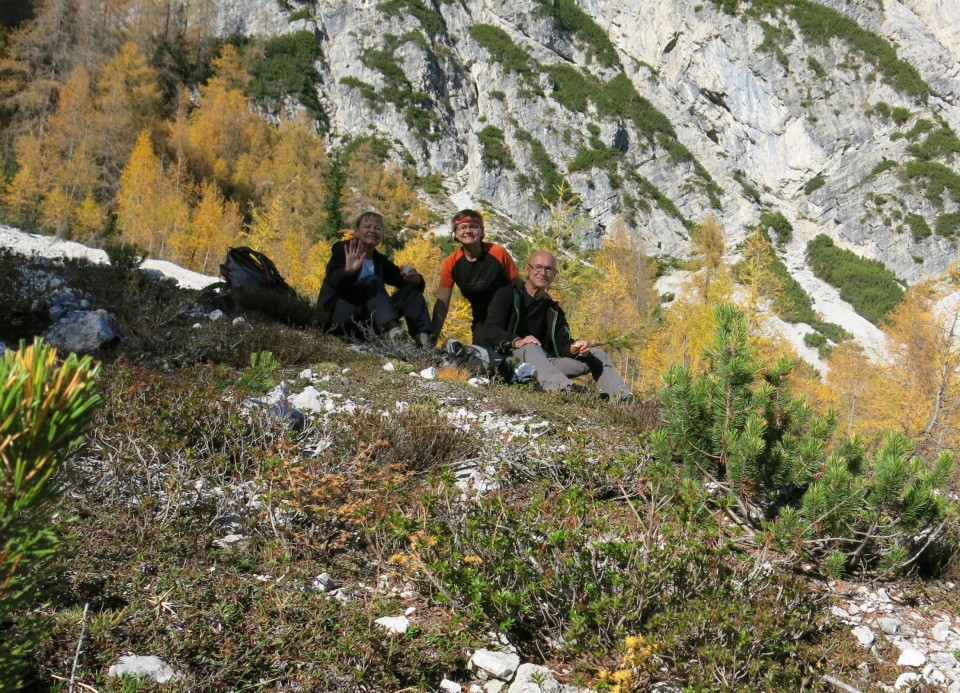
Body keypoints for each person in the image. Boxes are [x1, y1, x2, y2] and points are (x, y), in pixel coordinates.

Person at [484, 250, 632, 400]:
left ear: (554, 275)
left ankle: (622, 399)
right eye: (537, 267)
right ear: (527, 270)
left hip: (546, 363)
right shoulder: (507, 295)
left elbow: (563, 346)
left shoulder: (553, 310)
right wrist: (518, 341)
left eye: (549, 269)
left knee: (597, 355)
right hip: (512, 359)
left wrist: (578, 347)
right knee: (531, 347)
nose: (543, 272)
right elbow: (490, 329)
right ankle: (564, 391)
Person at [316, 211, 433, 347]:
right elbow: (333, 281)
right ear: (357, 231)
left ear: (382, 234)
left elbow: (403, 282)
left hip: (368, 320)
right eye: (367, 226)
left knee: (410, 292)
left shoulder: (379, 261)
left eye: (377, 228)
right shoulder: (344, 250)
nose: (372, 230)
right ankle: (395, 333)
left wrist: (416, 279)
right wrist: (348, 272)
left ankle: (423, 339)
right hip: (340, 317)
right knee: (372, 280)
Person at [432, 209, 520, 348]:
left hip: (510, 318)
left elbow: (519, 287)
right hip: (482, 321)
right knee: (483, 362)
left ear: (481, 231)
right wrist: (433, 339)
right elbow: (442, 303)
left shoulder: (498, 253)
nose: (468, 231)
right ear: (456, 232)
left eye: (474, 227)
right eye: (462, 227)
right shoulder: (451, 262)